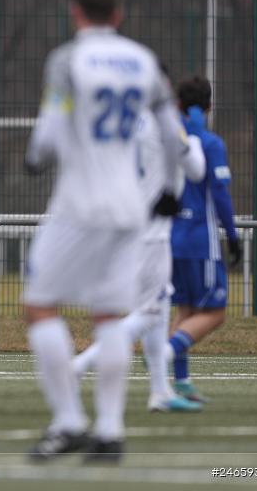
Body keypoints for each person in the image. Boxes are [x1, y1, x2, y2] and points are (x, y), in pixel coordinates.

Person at [23, 0, 189, 462]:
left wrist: (34, 157)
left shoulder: (68, 59)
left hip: (79, 204)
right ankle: (111, 431)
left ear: (75, 12)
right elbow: (173, 134)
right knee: (110, 316)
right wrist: (171, 193)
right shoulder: (143, 62)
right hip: (130, 207)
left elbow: (50, 130)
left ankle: (70, 420)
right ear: (118, 15)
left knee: (40, 305)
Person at [72, 77, 207, 413]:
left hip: (122, 225)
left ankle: (160, 391)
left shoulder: (121, 124)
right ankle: (80, 365)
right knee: (148, 312)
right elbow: (196, 170)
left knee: (159, 307)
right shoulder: (165, 124)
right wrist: (195, 139)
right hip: (153, 233)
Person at [167, 75, 241, 403]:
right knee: (214, 312)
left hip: (171, 239)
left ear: (178, 105)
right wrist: (234, 236)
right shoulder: (210, 143)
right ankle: (165, 354)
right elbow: (220, 195)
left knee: (185, 310)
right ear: (210, 106)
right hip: (201, 240)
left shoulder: (171, 141)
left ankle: (179, 383)